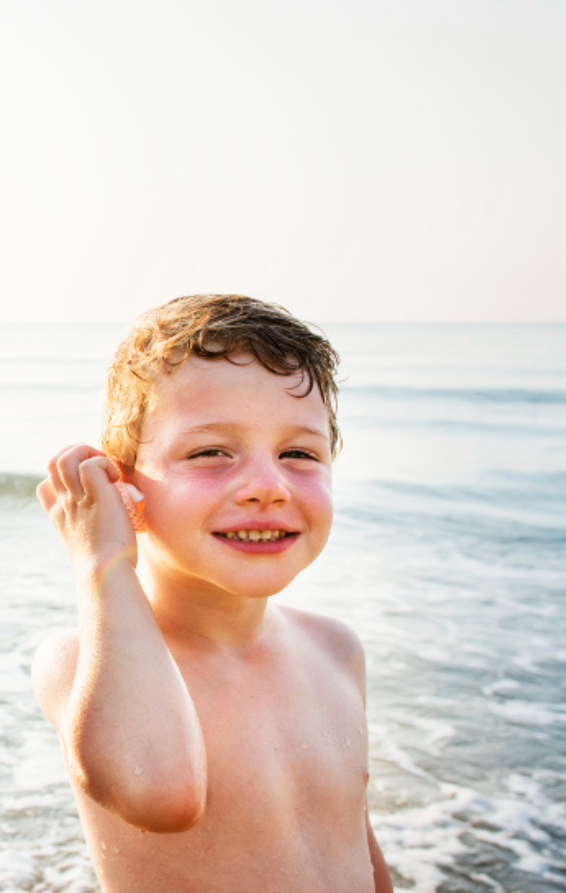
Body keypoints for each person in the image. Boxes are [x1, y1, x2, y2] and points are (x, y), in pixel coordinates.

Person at [31, 294, 392, 893]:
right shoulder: (81, 662)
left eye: (299, 453)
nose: (267, 486)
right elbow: (160, 794)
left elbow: (356, 841)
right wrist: (103, 562)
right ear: (123, 485)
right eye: (210, 452)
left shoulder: (335, 650)